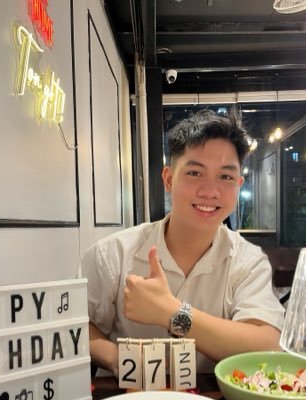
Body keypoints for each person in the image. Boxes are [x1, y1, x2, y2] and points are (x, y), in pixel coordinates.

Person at [81, 108, 285, 376]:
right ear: (168, 179)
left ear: (238, 185)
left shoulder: (247, 262)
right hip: (132, 392)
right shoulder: (113, 254)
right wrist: (115, 357)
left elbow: (267, 345)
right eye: (195, 173)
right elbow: (74, 324)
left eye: (225, 177)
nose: (210, 191)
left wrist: (172, 312)